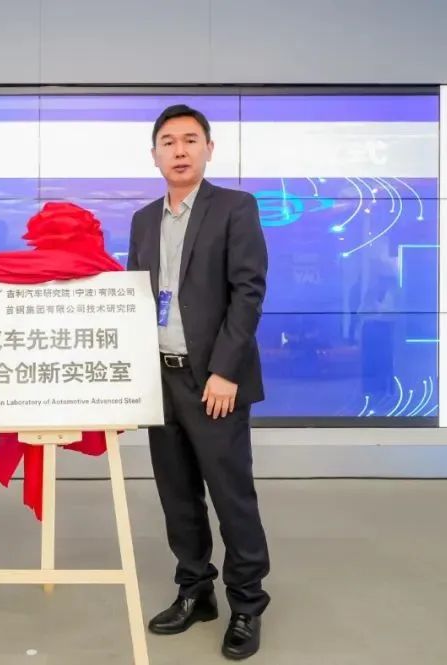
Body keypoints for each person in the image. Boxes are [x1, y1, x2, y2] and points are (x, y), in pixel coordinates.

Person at [127, 104, 271, 660]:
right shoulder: (144, 220)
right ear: (155, 155)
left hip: (213, 380)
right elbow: (137, 298)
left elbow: (248, 291)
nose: (179, 150)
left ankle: (247, 604)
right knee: (177, 493)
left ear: (209, 149)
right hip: (160, 378)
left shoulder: (235, 208)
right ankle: (195, 590)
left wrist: (225, 371)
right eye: (168, 142)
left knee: (231, 495)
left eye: (190, 139)